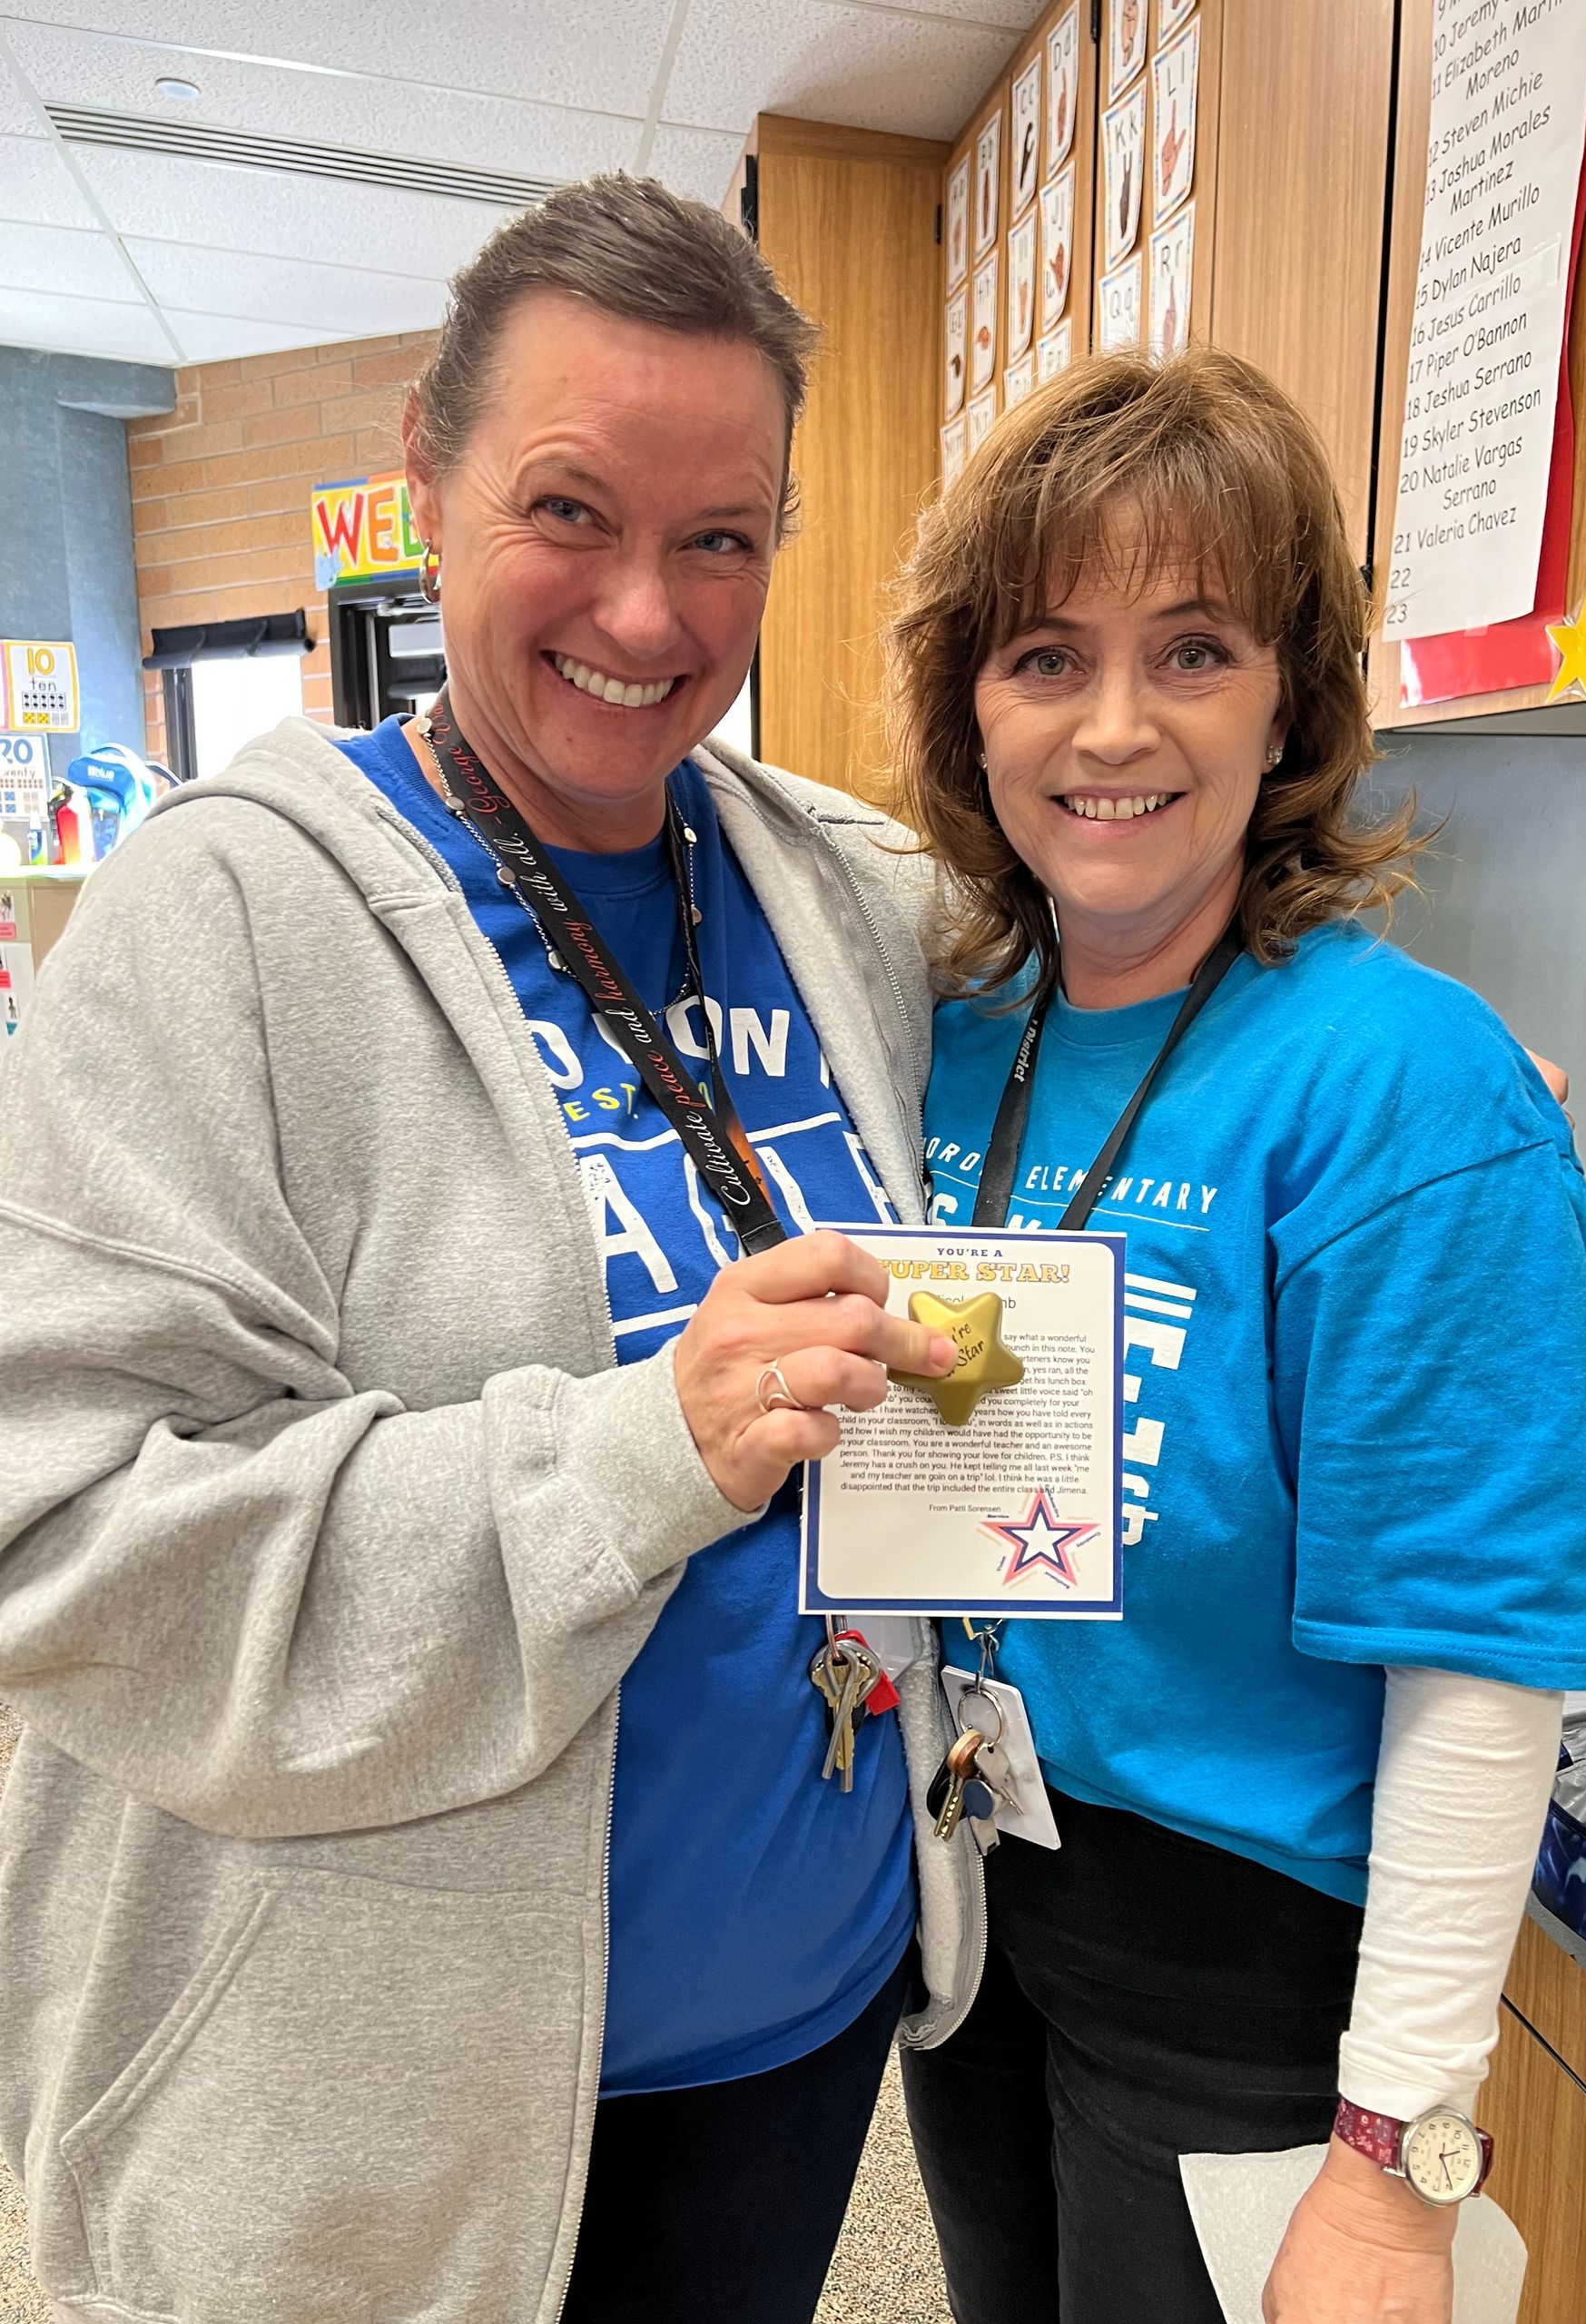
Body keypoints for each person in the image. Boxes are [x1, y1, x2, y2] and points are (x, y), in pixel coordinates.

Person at [0, 174, 980, 2324]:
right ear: (423, 488)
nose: (648, 611)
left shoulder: (843, 889)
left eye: (720, 536)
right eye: (571, 509)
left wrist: (1386, 1083)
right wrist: (645, 1452)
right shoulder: (224, 920)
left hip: (793, 2041)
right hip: (365, 2124)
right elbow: (55, 1538)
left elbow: (1147, 951)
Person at [887, 348, 1586, 2324]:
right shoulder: (953, 1025)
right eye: (1045, 654)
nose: (1111, 726)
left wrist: (1397, 2170)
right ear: (973, 695)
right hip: (977, 1887)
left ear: (1291, 692)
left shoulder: (1409, 1089)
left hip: (1248, 1957)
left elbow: (1475, 1663)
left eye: (1194, 647)